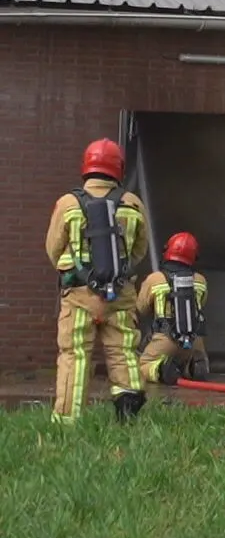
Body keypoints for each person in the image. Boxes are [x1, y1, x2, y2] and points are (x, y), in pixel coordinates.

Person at [45, 138, 150, 422]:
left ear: (87, 166)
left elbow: (53, 248)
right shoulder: (133, 203)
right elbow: (139, 250)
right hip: (120, 294)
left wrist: (74, 275)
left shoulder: (67, 203)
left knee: (75, 354)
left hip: (78, 296)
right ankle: (127, 411)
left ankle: (68, 419)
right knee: (123, 350)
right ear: (118, 169)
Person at [137, 232, 210, 386]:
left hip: (165, 339)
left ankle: (161, 370)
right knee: (187, 359)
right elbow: (201, 305)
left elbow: (141, 308)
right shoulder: (201, 281)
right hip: (194, 340)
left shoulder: (155, 279)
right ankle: (193, 367)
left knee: (140, 367)